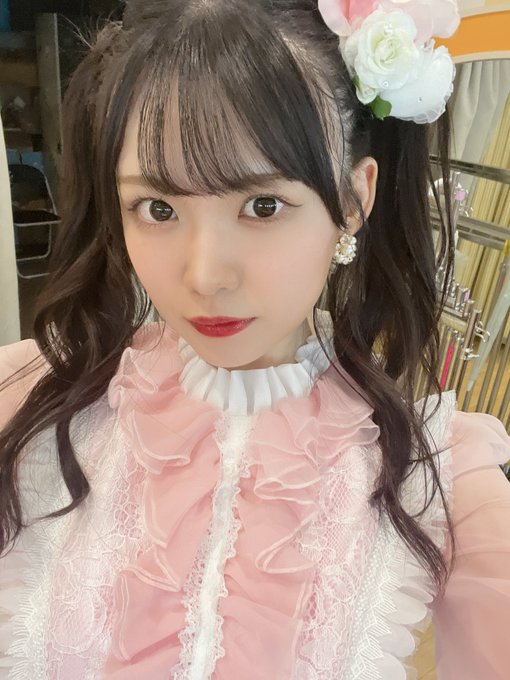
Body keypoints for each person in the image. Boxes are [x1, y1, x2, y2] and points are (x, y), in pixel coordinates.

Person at [0, 0, 509, 677]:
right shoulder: (30, 399)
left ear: (353, 201)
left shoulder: (442, 475)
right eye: (157, 208)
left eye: (262, 206)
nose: (205, 276)